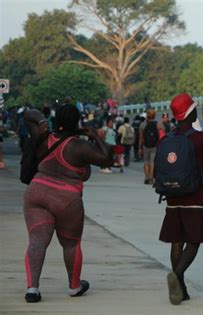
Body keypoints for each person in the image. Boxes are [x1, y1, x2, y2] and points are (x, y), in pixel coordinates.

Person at [22, 105, 113, 303]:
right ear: (77, 122)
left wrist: (43, 123)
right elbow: (107, 159)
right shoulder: (79, 146)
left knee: (37, 241)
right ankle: (74, 286)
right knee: (71, 243)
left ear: (56, 120)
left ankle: (32, 289)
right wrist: (95, 136)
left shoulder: (43, 136)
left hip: (36, 193)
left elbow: (28, 114)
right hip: (66, 199)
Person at [157, 93, 203, 305]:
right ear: (191, 113)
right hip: (194, 196)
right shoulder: (201, 139)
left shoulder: (167, 139)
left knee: (176, 240)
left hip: (171, 197)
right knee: (194, 241)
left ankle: (182, 289)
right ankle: (176, 276)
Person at [138, 109, 159, 184]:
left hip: (145, 145)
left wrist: (139, 148)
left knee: (146, 161)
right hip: (154, 146)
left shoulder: (142, 125)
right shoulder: (157, 124)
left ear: (147, 116)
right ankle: (151, 178)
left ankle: (146, 177)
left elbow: (141, 137)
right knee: (152, 162)